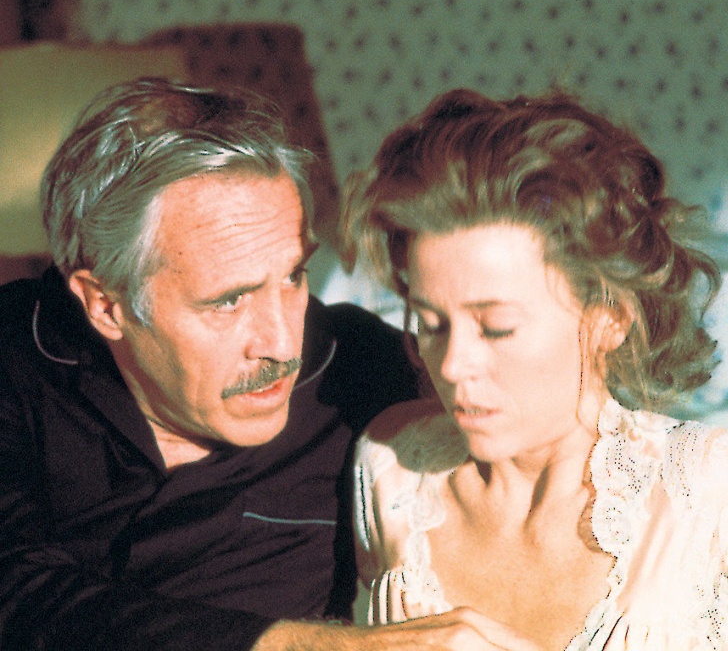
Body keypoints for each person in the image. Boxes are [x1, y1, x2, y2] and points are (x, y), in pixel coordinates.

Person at [341, 88, 728, 650]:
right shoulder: (392, 470)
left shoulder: (717, 493)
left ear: (609, 318)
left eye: (497, 327)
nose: (452, 365)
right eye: (431, 323)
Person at [0, 78, 539, 651]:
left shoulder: (359, 368)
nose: (283, 344)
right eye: (228, 301)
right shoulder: (15, 354)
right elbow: (17, 592)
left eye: (293, 276)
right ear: (106, 305)